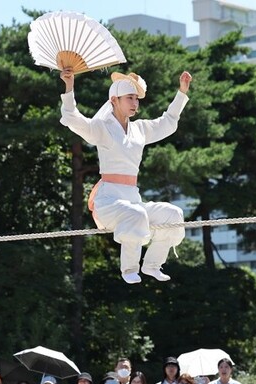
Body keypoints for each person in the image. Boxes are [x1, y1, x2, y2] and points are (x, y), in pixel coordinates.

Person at [59, 67, 191, 283]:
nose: (135, 103)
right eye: (129, 98)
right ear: (114, 100)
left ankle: (152, 265)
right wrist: (69, 86)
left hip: (132, 200)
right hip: (108, 203)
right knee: (136, 214)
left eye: (136, 98)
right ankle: (129, 269)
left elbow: (167, 123)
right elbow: (73, 118)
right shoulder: (101, 128)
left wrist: (182, 93)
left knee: (173, 214)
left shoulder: (139, 129)